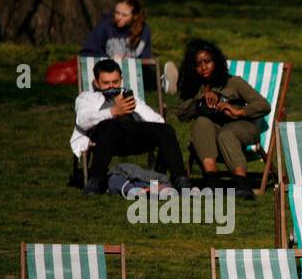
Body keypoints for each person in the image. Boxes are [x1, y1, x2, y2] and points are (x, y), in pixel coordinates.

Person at [72, 58, 190, 196]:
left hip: (132, 137)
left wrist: (136, 108)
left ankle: (180, 181)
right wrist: (113, 111)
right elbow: (82, 120)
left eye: (115, 82)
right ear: (96, 83)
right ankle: (96, 180)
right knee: (113, 125)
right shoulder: (87, 98)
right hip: (105, 139)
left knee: (166, 130)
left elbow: (158, 121)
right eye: (106, 83)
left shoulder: (129, 97)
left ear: (121, 80)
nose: (111, 86)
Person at [175, 39, 269, 200]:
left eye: (207, 62)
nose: (203, 67)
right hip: (214, 132)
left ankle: (242, 183)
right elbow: (181, 114)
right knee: (201, 122)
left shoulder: (233, 82)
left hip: (243, 127)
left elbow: (263, 105)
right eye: (198, 64)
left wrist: (239, 111)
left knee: (226, 134)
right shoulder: (195, 88)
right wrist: (200, 99)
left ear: (216, 61)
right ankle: (213, 181)